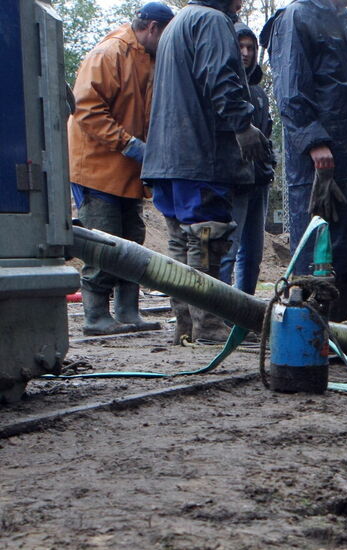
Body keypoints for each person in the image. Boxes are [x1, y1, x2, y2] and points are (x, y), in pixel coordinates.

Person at [141, 0, 269, 344]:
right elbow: (221, 77)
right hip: (199, 156)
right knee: (207, 239)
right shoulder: (211, 21)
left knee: (181, 244)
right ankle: (210, 326)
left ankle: (186, 325)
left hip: (168, 159)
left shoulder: (178, 24)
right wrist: (243, 124)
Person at [262, 0, 347, 321]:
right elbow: (290, 89)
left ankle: (338, 323)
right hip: (319, 159)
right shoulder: (296, 16)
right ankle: (310, 324)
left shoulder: (339, 19)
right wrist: (314, 142)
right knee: (318, 242)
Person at [67, 2, 174, 336]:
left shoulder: (149, 58)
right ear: (153, 28)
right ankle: (96, 316)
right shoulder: (110, 53)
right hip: (99, 168)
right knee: (105, 241)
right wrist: (128, 143)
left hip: (129, 171)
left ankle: (128, 311)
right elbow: (86, 108)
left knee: (132, 240)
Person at [218, 23, 276, 296]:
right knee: (228, 248)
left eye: (250, 48)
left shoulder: (260, 94)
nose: (245, 53)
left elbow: (266, 134)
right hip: (233, 180)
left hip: (259, 179)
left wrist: (268, 165)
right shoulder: (223, 90)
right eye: (240, 47)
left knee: (253, 253)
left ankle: (245, 309)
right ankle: (222, 310)